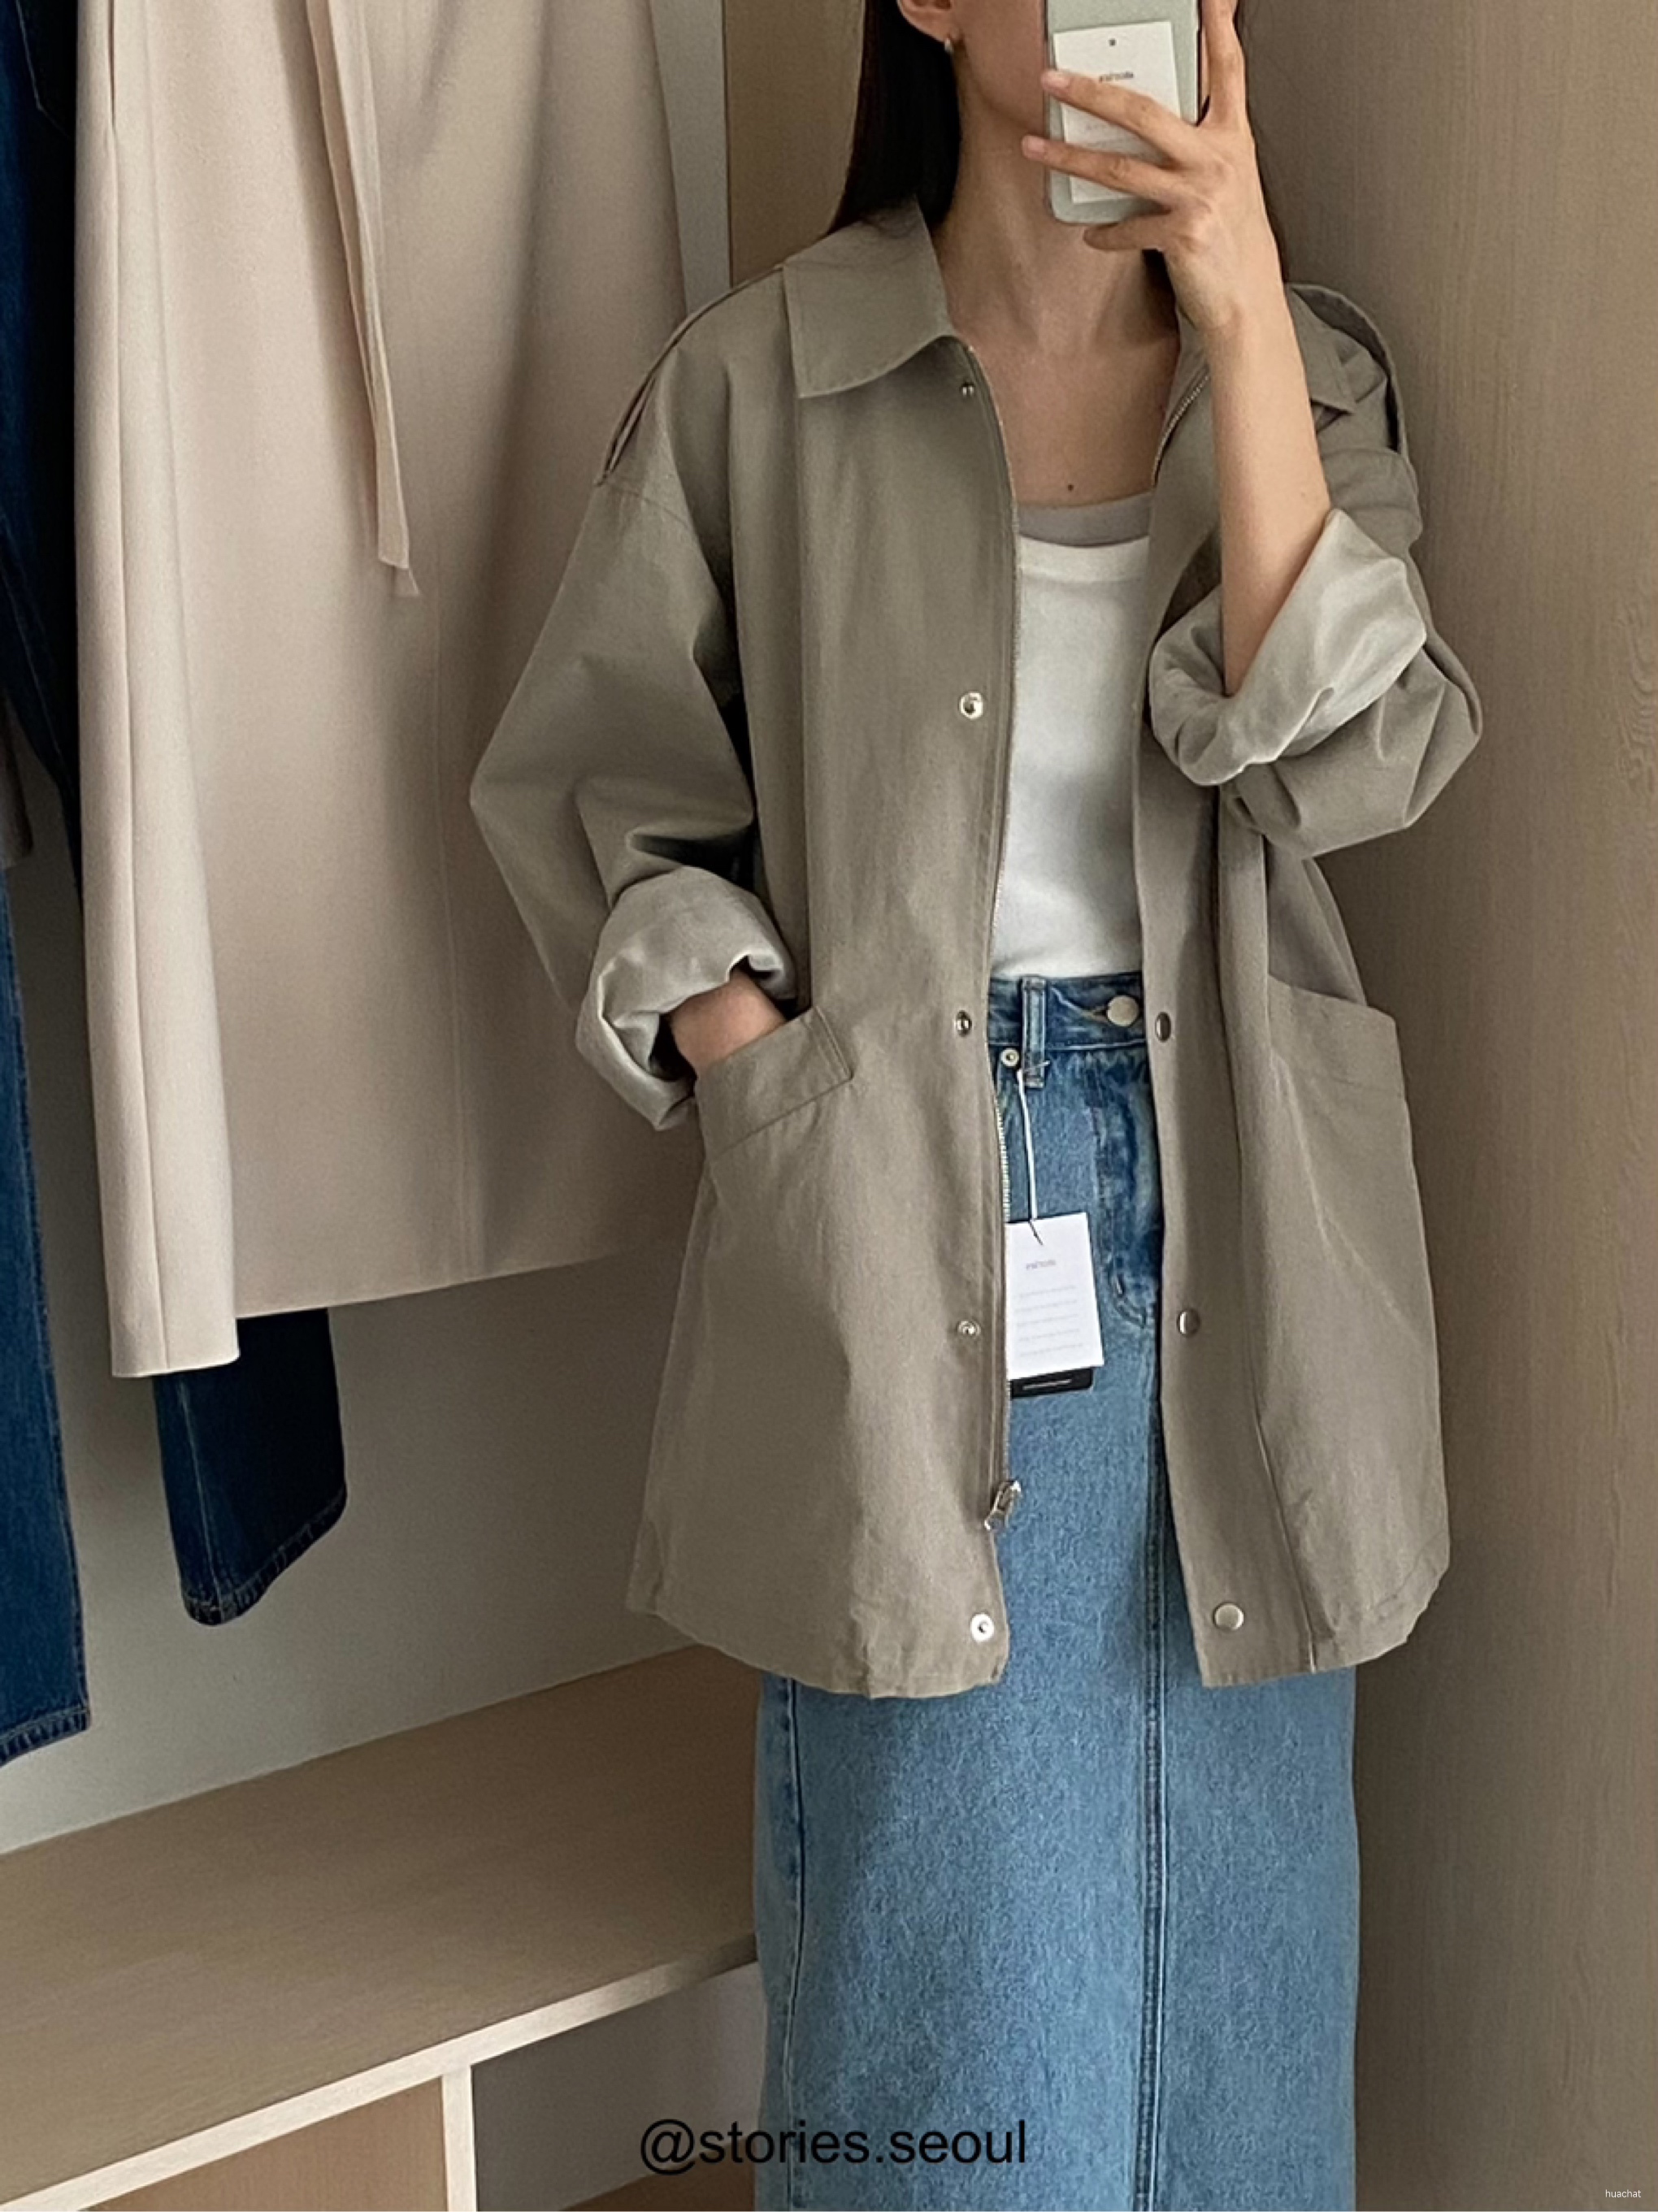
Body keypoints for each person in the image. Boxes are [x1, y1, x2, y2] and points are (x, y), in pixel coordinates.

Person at [470, 0, 1482, 2204]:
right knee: (950, 2031)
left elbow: (1357, 766)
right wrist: (761, 1065)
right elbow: (599, 788)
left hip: (1246, 1205)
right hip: (906, 1180)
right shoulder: (764, 377)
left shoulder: (1305, 375)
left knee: (1238, 2030)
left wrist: (1238, 320)